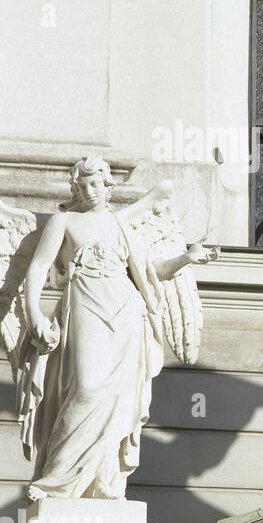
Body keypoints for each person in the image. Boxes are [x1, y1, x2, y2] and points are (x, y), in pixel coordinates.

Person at [18, 157, 216, 502]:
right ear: (75, 188)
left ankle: (103, 481)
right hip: (84, 308)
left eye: (96, 183)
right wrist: (34, 314)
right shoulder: (65, 222)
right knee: (87, 388)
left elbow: (151, 272)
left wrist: (186, 258)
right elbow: (37, 268)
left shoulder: (119, 226)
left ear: (108, 186)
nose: (90, 190)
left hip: (125, 312)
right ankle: (56, 480)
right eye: (83, 184)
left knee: (119, 399)